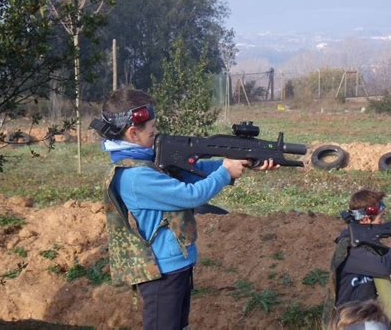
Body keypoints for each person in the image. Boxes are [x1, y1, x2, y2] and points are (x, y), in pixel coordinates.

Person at [93, 89, 278, 330]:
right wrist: (225, 172)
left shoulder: (148, 163)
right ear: (133, 133)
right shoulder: (136, 176)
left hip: (175, 266)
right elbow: (190, 196)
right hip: (161, 273)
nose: (156, 133)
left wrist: (240, 162)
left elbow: (195, 169)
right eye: (152, 130)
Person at [323, 189, 391, 327]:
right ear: (365, 219)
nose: (383, 222)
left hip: (365, 317)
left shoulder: (368, 247)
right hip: (349, 320)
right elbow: (384, 267)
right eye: (381, 218)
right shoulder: (350, 250)